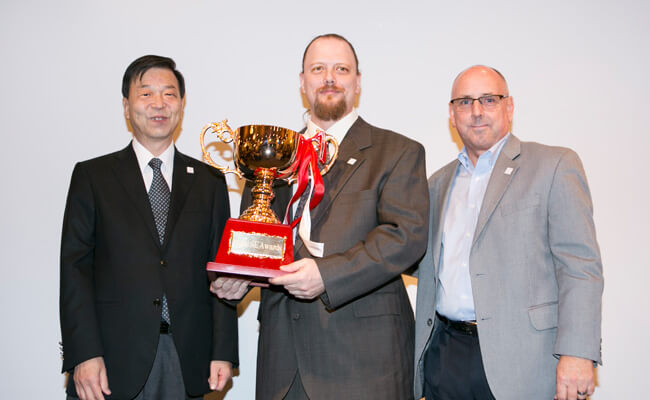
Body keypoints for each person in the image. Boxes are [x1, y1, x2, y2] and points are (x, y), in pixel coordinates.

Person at [211, 34, 429, 400]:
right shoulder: (269, 156)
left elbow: (405, 236)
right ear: (302, 82)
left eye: (341, 69)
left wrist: (326, 275)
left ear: (357, 82)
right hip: (284, 364)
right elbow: (259, 244)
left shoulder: (398, 152)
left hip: (366, 362)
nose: (329, 78)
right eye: (318, 69)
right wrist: (238, 279)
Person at [413, 65, 603, 400]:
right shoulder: (437, 184)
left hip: (525, 362)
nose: (476, 111)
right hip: (445, 356)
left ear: (509, 107)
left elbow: (580, 267)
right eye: (464, 102)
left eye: (488, 99)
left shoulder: (554, 165)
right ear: (451, 114)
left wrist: (578, 353)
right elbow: (418, 259)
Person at [60, 55, 238, 400]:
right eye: (146, 94)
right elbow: (74, 272)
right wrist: (82, 353)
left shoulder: (209, 182)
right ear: (127, 107)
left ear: (181, 106)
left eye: (169, 94)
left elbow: (221, 270)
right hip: (110, 360)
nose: (159, 103)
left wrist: (224, 350)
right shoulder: (93, 177)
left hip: (186, 357)